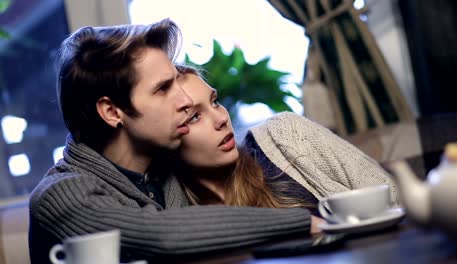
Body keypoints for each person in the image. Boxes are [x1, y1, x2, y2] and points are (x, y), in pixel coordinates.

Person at [28, 19, 320, 264]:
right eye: (163, 89)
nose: (184, 100)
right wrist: (304, 222)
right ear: (111, 111)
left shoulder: (166, 166)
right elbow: (161, 235)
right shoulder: (60, 194)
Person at [172, 66, 400, 214]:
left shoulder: (285, 134)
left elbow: (392, 196)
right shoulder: (177, 213)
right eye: (194, 117)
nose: (221, 118)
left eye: (214, 102)